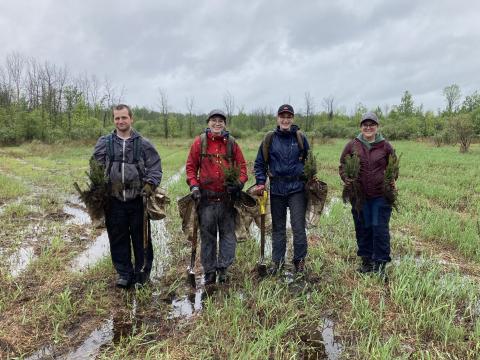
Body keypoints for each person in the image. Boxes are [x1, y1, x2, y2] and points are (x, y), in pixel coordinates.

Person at [93, 104, 162, 288]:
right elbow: (96, 168)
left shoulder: (143, 143)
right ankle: (124, 273)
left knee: (142, 239)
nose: (120, 121)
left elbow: (155, 168)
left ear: (131, 119)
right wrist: (98, 189)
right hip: (114, 200)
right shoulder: (105, 143)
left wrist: (150, 185)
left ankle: (142, 273)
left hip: (138, 199)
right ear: (113, 120)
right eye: (117, 118)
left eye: (124, 117)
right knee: (117, 237)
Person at [185, 109, 248, 285]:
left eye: (220, 120)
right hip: (206, 200)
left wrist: (239, 184)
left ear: (225, 124)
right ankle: (210, 272)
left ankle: (223, 269)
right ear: (208, 122)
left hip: (227, 200)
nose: (217, 123)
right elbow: (190, 167)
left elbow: (243, 168)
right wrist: (194, 185)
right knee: (208, 238)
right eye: (214, 120)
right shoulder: (200, 143)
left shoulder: (232, 144)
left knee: (228, 236)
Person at [253, 104, 310, 275]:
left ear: (292, 119)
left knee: (298, 227)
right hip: (277, 188)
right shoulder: (269, 139)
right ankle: (277, 263)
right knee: (278, 228)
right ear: (277, 118)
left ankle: (299, 261)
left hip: (297, 189)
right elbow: (259, 164)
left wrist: (310, 178)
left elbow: (309, 161)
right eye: (282, 116)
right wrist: (261, 182)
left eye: (289, 116)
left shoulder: (300, 137)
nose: (285, 119)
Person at [339, 112, 396, 277]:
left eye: (372, 124)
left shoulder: (385, 146)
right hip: (359, 196)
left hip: (380, 195)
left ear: (377, 127)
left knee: (379, 229)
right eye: (365, 124)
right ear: (361, 127)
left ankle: (380, 264)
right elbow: (342, 164)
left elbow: (394, 166)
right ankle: (366, 261)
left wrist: (392, 179)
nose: (368, 127)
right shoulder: (352, 145)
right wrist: (346, 178)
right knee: (363, 227)